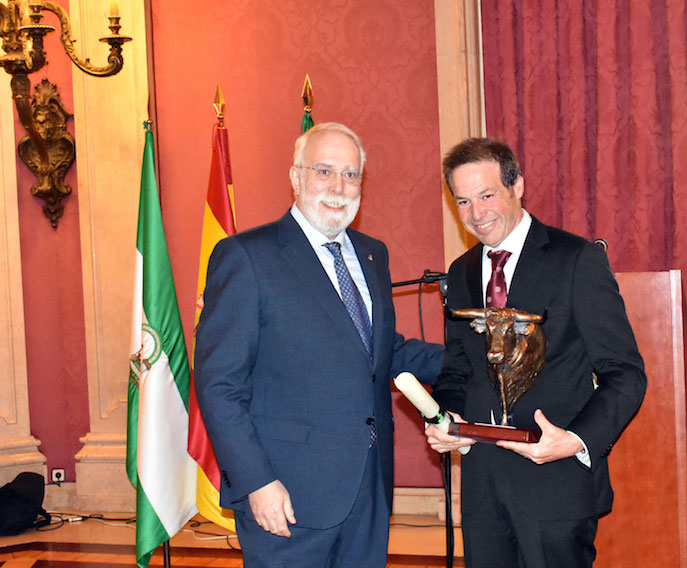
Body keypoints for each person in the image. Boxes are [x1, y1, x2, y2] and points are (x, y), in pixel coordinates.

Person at [195, 122, 443, 568]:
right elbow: (219, 385)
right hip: (287, 495)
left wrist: (479, 360)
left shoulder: (372, 254)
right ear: (296, 177)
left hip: (368, 489)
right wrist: (257, 483)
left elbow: (379, 352)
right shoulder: (247, 256)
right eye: (324, 171)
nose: (338, 186)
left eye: (351, 175)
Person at [426, 138, 646, 567]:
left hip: (556, 486)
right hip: (482, 490)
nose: (476, 213)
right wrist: (446, 416)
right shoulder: (462, 272)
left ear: (518, 185)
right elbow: (457, 371)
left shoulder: (576, 260)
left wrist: (577, 440)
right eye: (464, 201)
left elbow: (625, 373)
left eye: (487, 195)